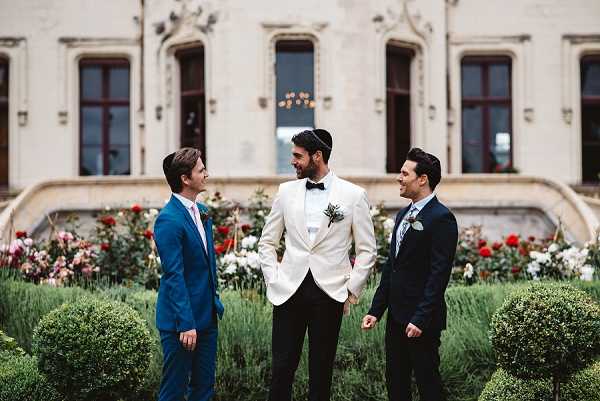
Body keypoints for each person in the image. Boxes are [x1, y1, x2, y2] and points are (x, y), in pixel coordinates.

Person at [258, 128, 377, 401]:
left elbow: (368, 250)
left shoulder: (353, 195)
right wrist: (273, 278)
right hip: (288, 290)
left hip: (329, 294)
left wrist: (351, 290)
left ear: (317, 156)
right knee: (281, 370)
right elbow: (267, 243)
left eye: (298, 156)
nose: (293, 161)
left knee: (321, 373)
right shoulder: (285, 192)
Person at [362, 148, 458, 401]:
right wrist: (375, 310)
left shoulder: (442, 218)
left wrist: (420, 318)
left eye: (405, 173)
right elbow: (392, 267)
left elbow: (439, 275)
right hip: (395, 317)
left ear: (422, 179)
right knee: (395, 383)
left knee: (428, 385)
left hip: (421, 322)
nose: (399, 178)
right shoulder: (404, 214)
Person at [154, 147, 224, 401]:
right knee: (173, 391)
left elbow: (206, 264)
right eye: (201, 170)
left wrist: (214, 302)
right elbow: (174, 274)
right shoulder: (168, 220)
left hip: (207, 317)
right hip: (180, 323)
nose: (206, 174)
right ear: (185, 179)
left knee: (204, 390)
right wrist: (185, 323)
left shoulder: (202, 211)